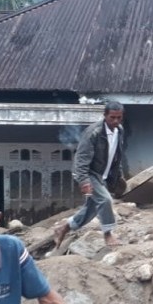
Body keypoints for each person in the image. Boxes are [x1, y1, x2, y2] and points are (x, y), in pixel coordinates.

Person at [54, 101, 126, 248]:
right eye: (112, 117)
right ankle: (108, 234)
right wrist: (84, 181)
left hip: (103, 175)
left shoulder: (120, 130)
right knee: (105, 200)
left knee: (90, 210)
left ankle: (64, 227)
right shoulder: (93, 132)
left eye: (119, 117)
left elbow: (116, 156)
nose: (116, 121)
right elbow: (81, 159)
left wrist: (119, 175)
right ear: (104, 115)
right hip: (89, 173)